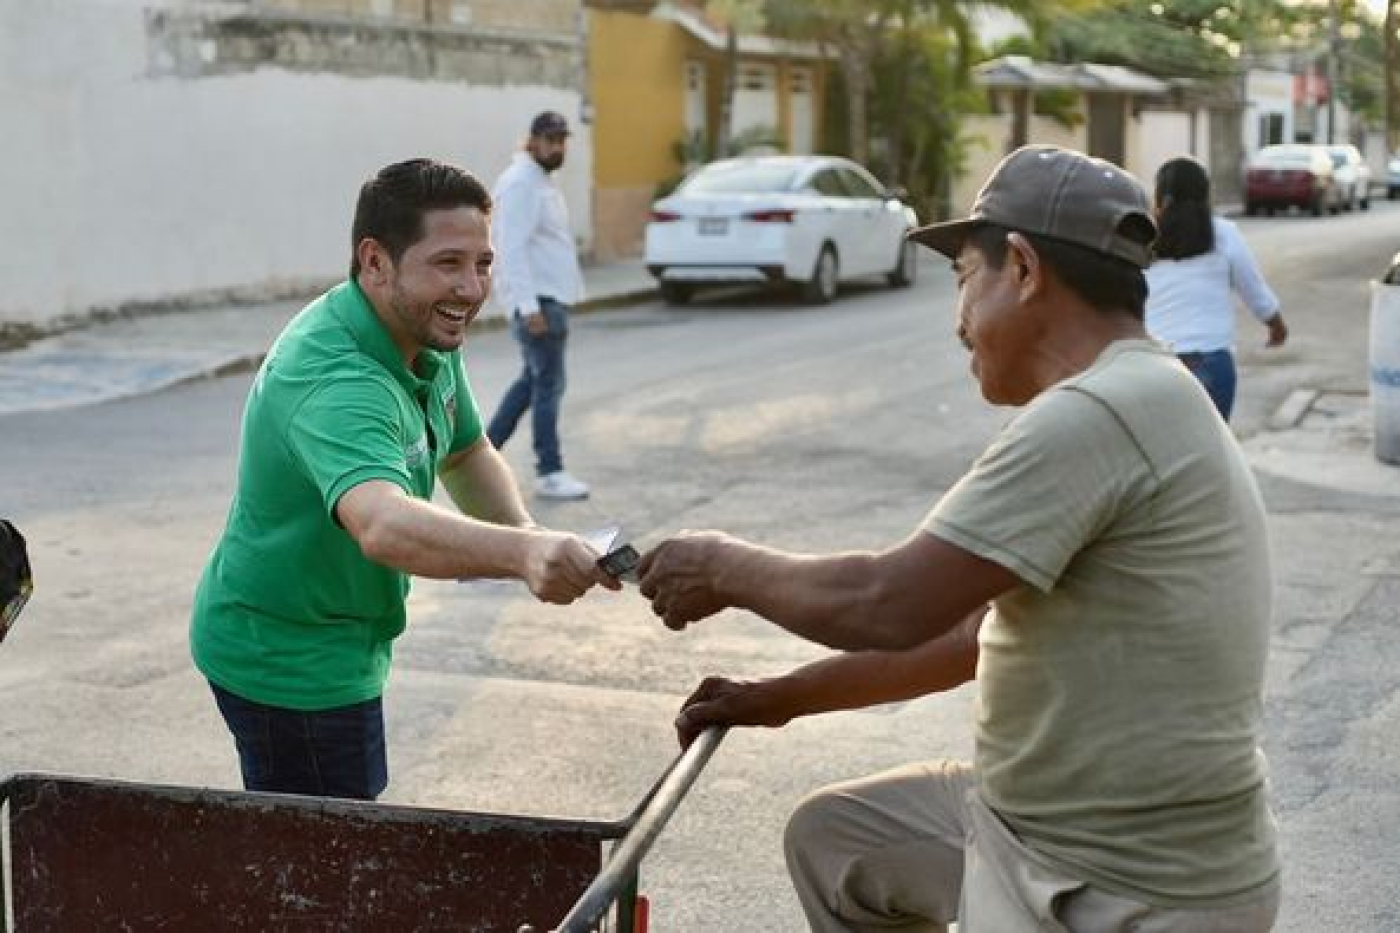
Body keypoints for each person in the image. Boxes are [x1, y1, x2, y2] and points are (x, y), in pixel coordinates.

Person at [638, 145, 1281, 931]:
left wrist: (721, 564)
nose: (958, 319)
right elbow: (968, 633)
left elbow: (888, 601)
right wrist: (775, 700)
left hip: (1119, 878)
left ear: (1023, 267)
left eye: (962, 279)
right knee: (836, 839)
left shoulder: (1098, 413)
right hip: (1046, 824)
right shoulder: (1143, 387)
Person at [190, 158, 619, 802]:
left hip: (342, 634)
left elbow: (468, 450)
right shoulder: (336, 377)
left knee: (326, 858)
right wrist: (526, 555)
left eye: (482, 264)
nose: (473, 290)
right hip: (287, 659)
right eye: (447, 264)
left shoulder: (420, 334)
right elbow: (383, 524)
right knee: (323, 873)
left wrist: (525, 533)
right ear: (375, 262)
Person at [485, 111, 590, 501]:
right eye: (550, 139)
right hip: (538, 302)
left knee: (532, 383)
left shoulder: (541, 180)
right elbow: (510, 248)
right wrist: (528, 306)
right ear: (532, 140)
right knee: (548, 384)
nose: (557, 146)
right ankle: (550, 471)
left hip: (550, 297)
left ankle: (481, 454)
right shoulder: (520, 184)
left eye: (562, 139)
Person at [1146, 155, 1287, 421]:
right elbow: (1254, 288)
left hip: (1153, 364)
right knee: (1212, 458)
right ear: (1205, 194)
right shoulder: (1224, 234)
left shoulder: (1145, 238)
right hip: (1211, 362)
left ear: (1159, 195)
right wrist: (1276, 326)